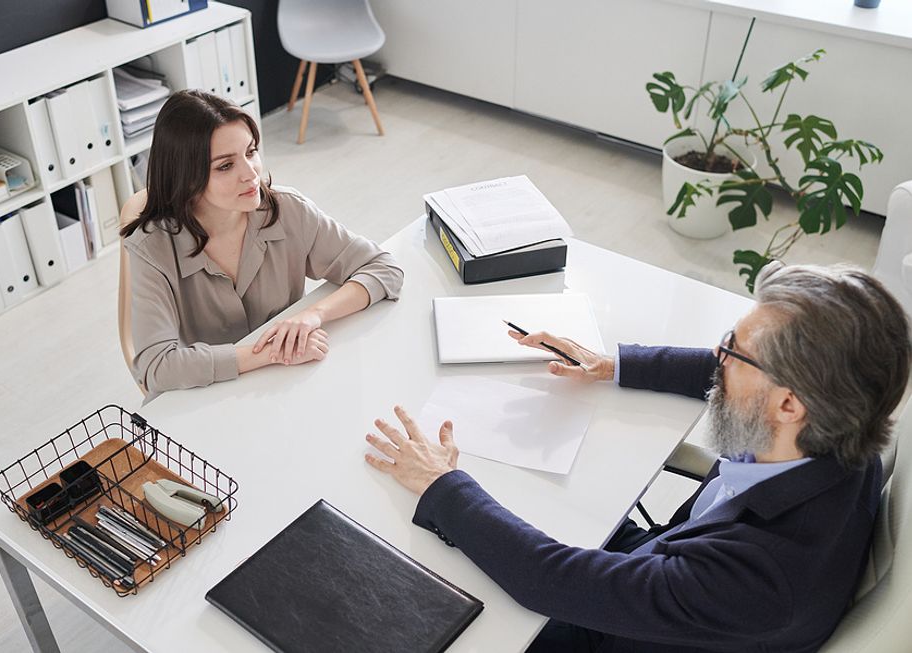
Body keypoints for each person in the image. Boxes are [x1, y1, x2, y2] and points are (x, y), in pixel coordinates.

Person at [365, 262, 910, 652]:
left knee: (399, 594)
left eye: (732, 351)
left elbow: (551, 583)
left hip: (616, 628)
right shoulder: (843, 426)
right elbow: (730, 373)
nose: (716, 357)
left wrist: (442, 485)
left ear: (789, 404)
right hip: (666, 562)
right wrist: (613, 364)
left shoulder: (762, 580)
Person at [120, 90, 403, 397]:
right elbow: (156, 368)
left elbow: (383, 268)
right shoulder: (152, 248)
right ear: (186, 176)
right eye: (225, 166)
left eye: (251, 152)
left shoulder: (288, 210)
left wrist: (314, 314)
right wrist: (270, 351)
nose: (250, 173)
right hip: (208, 395)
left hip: (290, 383)